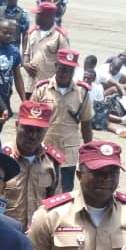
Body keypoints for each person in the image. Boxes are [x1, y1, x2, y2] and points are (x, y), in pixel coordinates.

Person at [31, 48, 92, 192]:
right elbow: (30, 121)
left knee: (64, 193)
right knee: (41, 190)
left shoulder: (82, 92)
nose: (65, 73)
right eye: (62, 68)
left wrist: (89, 154)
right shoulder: (42, 89)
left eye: (70, 70)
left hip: (68, 153)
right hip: (44, 149)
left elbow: (86, 124)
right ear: (56, 66)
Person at [0, 101, 61, 229]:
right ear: (17, 126)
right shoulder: (1, 158)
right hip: (4, 233)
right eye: (27, 129)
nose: (33, 136)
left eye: (39, 131)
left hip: (38, 235)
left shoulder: (52, 162)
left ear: (46, 131)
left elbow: (55, 203)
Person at [23, 1, 70, 99]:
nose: (36, 16)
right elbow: (27, 53)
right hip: (31, 85)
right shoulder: (33, 32)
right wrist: (25, 64)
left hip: (49, 87)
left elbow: (66, 64)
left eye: (39, 14)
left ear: (48, 17)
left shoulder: (59, 37)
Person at [0, 18, 26, 128]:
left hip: (4, 96)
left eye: (11, 33)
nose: (8, 36)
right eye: (5, 33)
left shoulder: (14, 52)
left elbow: (17, 76)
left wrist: (23, 99)